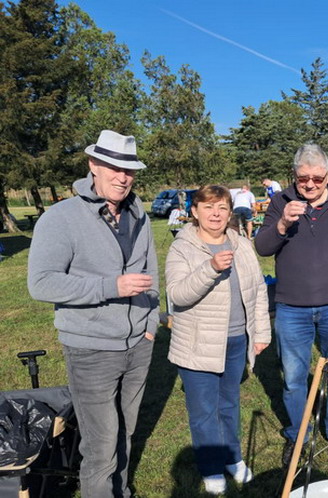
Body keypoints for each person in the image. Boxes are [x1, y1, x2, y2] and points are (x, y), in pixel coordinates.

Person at [27, 130, 159, 497]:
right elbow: (41, 283)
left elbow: (152, 273)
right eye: (113, 168)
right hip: (91, 350)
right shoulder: (61, 218)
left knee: (125, 432)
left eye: (129, 170)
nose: (122, 177)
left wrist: (150, 324)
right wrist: (110, 287)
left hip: (138, 346)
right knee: (101, 445)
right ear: (93, 166)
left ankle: (121, 491)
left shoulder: (139, 214)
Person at [254, 143, 328, 466]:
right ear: (294, 175)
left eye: (317, 178)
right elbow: (262, 246)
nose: (310, 184)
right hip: (292, 308)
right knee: (293, 378)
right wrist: (281, 224)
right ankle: (299, 434)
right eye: (303, 178)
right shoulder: (280, 202)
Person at [165, 185, 271, 495]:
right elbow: (177, 295)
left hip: (236, 340)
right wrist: (210, 268)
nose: (215, 214)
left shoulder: (241, 244)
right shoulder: (182, 248)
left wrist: (261, 332)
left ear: (229, 212)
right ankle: (211, 468)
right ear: (194, 212)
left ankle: (233, 458)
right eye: (208, 207)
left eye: (222, 208)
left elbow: (258, 290)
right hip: (197, 343)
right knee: (203, 412)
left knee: (229, 404)